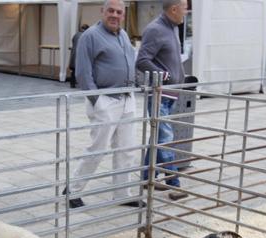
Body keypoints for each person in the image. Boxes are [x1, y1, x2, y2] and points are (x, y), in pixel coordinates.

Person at [70, 0, 141, 208]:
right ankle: (73, 190)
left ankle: (122, 194)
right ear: (102, 11)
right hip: (105, 100)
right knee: (97, 149)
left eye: (119, 12)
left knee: (126, 149)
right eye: (110, 10)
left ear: (123, 15)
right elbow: (83, 72)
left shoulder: (124, 34)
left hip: (127, 98)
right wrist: (97, 100)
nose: (115, 15)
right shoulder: (90, 36)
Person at [135, 0, 189, 201]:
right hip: (159, 94)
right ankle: (173, 184)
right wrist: (164, 76)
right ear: (174, 9)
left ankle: (147, 178)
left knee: (158, 138)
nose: (187, 10)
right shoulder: (156, 29)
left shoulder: (172, 28)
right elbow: (141, 60)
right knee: (165, 138)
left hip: (169, 94)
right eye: (184, 6)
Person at [68, 23, 88, 88]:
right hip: (81, 55)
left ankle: (72, 84)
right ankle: (82, 83)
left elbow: (73, 42)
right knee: (82, 70)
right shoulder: (86, 35)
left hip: (74, 54)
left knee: (74, 70)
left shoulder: (76, 35)